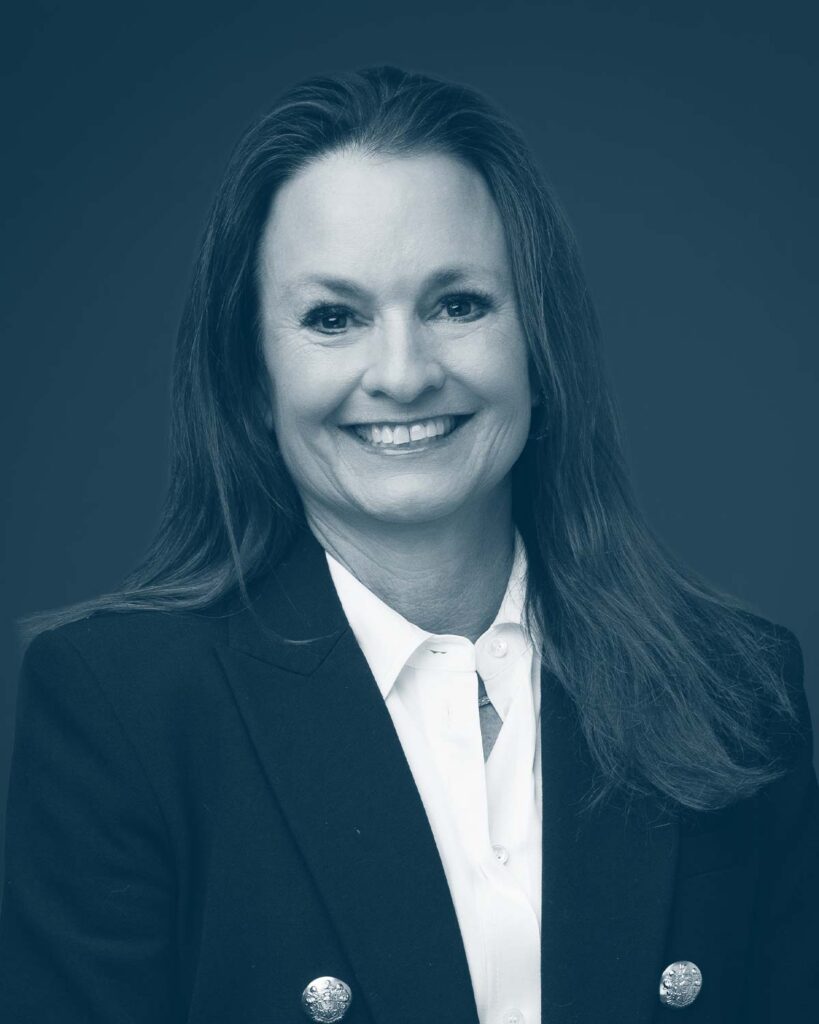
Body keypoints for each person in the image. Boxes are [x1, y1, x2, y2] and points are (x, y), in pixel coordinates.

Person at [1, 64, 817, 1024]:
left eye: (457, 303)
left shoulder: (734, 686)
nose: (402, 373)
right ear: (253, 376)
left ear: (539, 339)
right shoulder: (121, 708)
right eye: (333, 318)